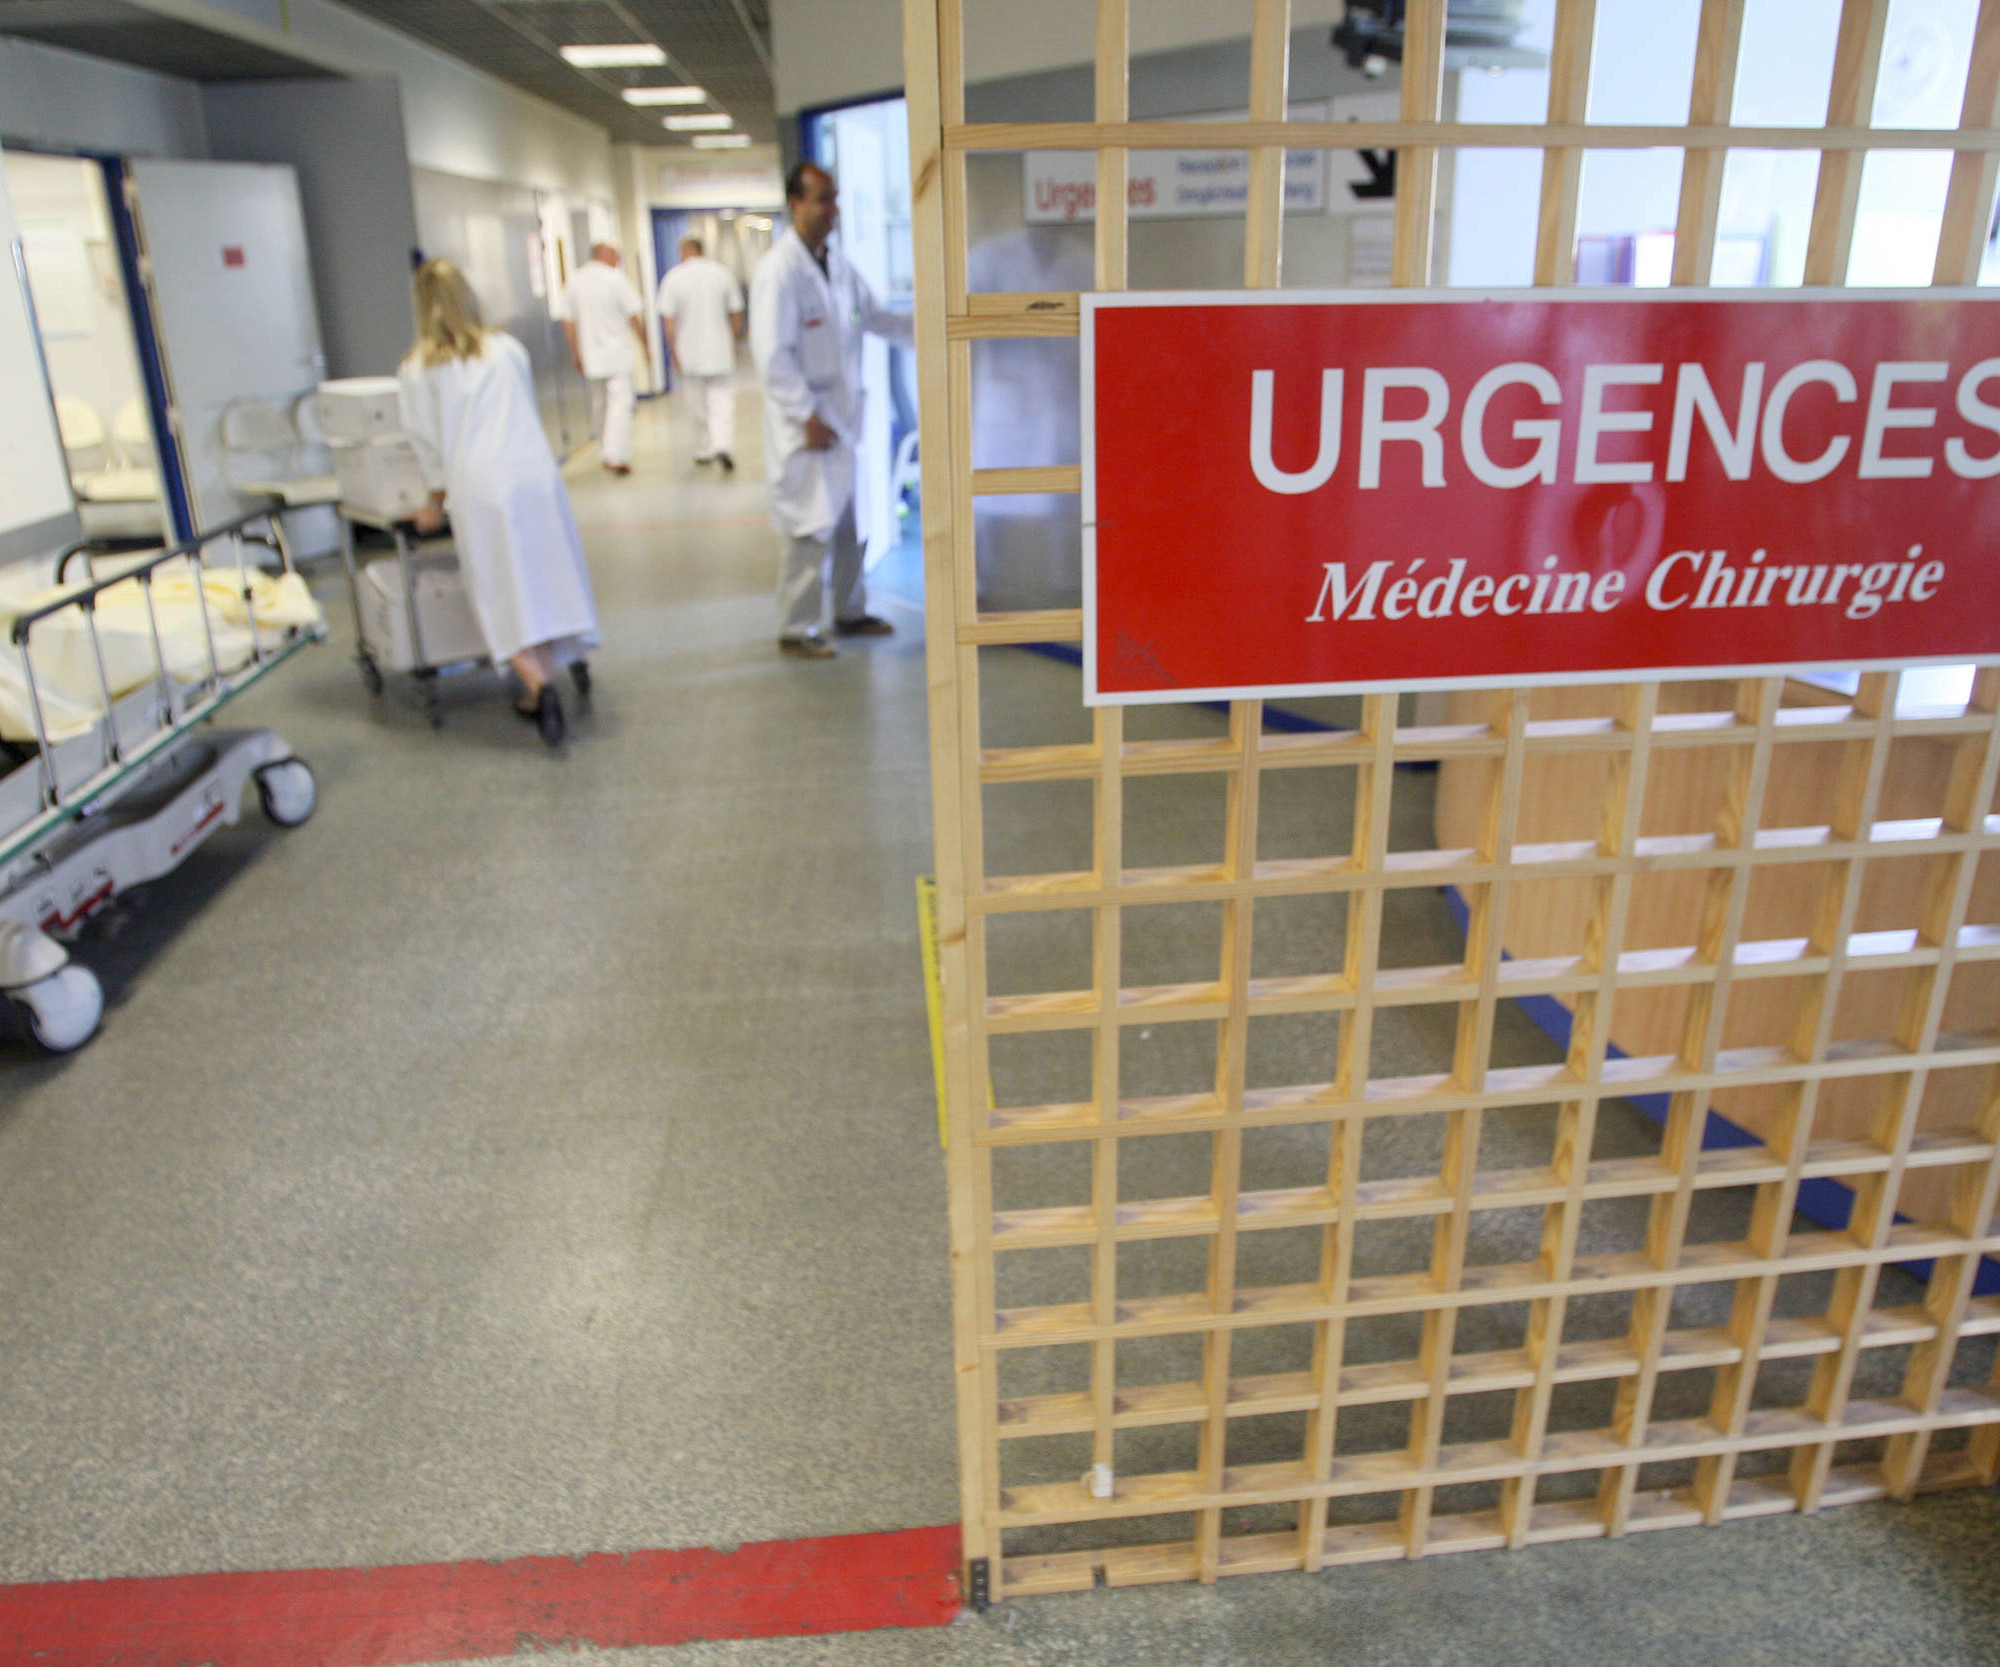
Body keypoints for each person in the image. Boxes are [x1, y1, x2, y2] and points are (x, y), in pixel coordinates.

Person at [398, 258, 600, 748]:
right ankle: (541, 686)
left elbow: (428, 447)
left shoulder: (418, 369)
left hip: (481, 488)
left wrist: (431, 504)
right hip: (534, 476)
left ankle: (539, 686)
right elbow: (523, 409)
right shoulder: (507, 350)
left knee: (498, 591)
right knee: (543, 583)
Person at [749, 162, 914, 659]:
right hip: (809, 425)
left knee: (849, 524)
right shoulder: (779, 272)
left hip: (842, 422)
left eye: (835, 198)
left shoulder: (838, 266)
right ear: (795, 203)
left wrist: (931, 328)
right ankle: (795, 629)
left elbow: (877, 317)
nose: (832, 209)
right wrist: (806, 415)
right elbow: (772, 357)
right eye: (822, 199)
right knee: (808, 527)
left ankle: (849, 611)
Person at [657, 235, 745, 472]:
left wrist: (672, 350)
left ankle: (704, 448)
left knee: (697, 403)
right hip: (720, 349)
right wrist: (733, 340)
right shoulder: (721, 274)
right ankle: (723, 444)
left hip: (689, 352)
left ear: (683, 251)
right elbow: (735, 312)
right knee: (722, 400)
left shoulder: (674, 278)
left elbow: (669, 320)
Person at [561, 242, 647, 475]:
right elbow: (633, 316)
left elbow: (568, 323)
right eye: (615, 256)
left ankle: (604, 449)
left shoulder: (574, 281)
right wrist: (645, 344)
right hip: (616, 354)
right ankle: (615, 454)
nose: (617, 261)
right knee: (620, 403)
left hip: (591, 355)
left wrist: (575, 352)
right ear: (603, 254)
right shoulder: (616, 279)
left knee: (599, 403)